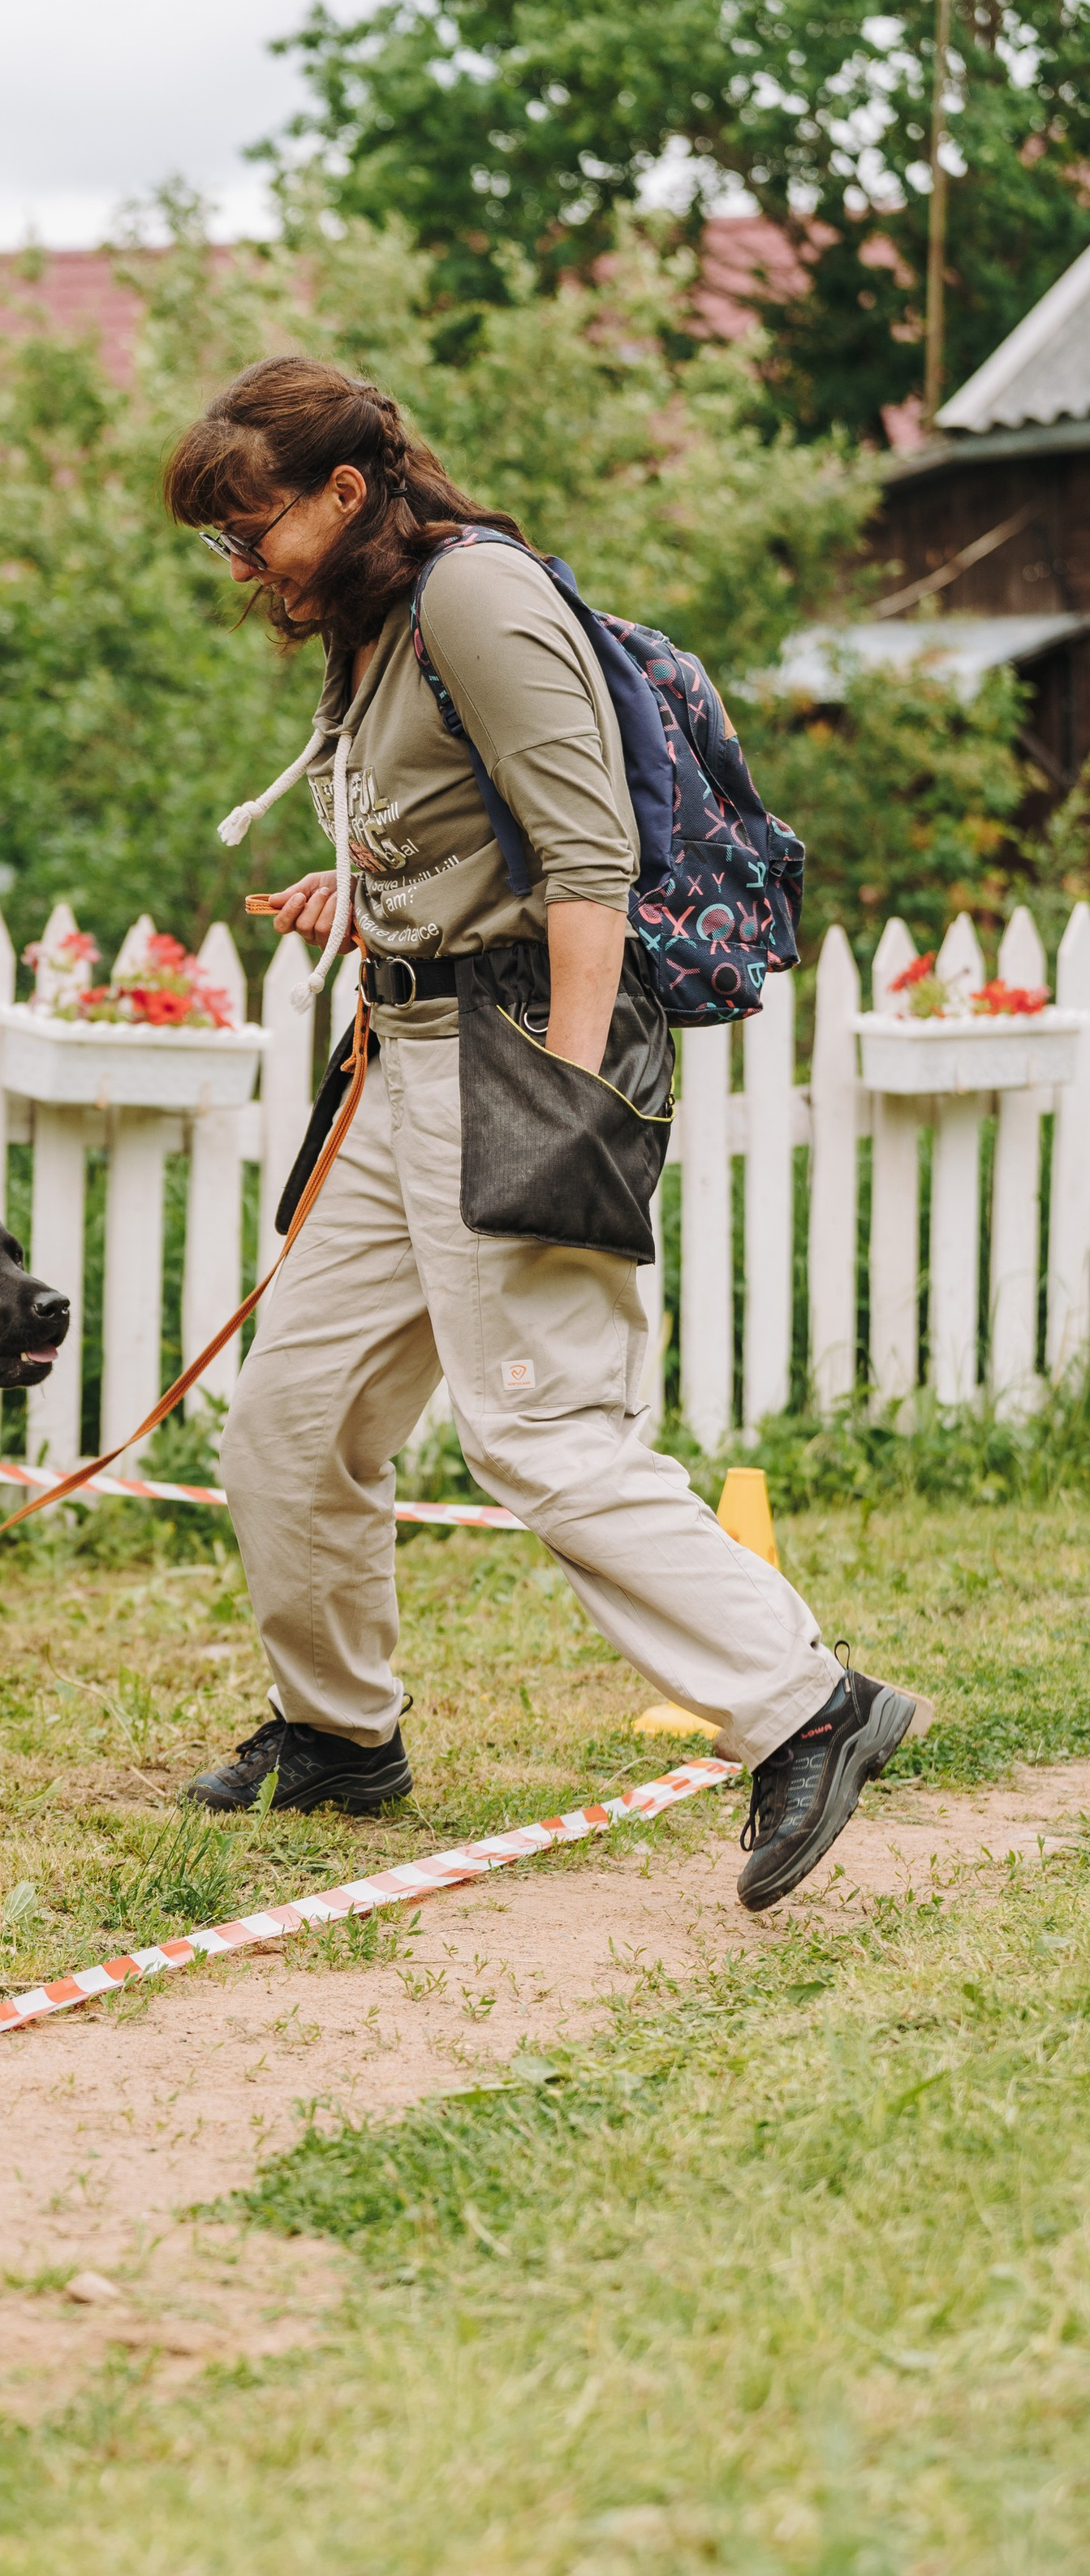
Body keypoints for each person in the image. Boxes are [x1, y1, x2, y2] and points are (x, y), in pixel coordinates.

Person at [162, 355, 930, 1913]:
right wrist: (367, 896)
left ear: (346, 493)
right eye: (221, 544)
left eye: (256, 532)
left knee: (545, 1431)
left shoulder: (474, 600)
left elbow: (590, 863)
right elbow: (460, 836)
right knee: (292, 1422)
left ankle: (809, 1704)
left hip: (518, 1053)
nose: (245, 568)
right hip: (408, 1049)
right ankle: (339, 1736)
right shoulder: (375, 627)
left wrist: (572, 1095)